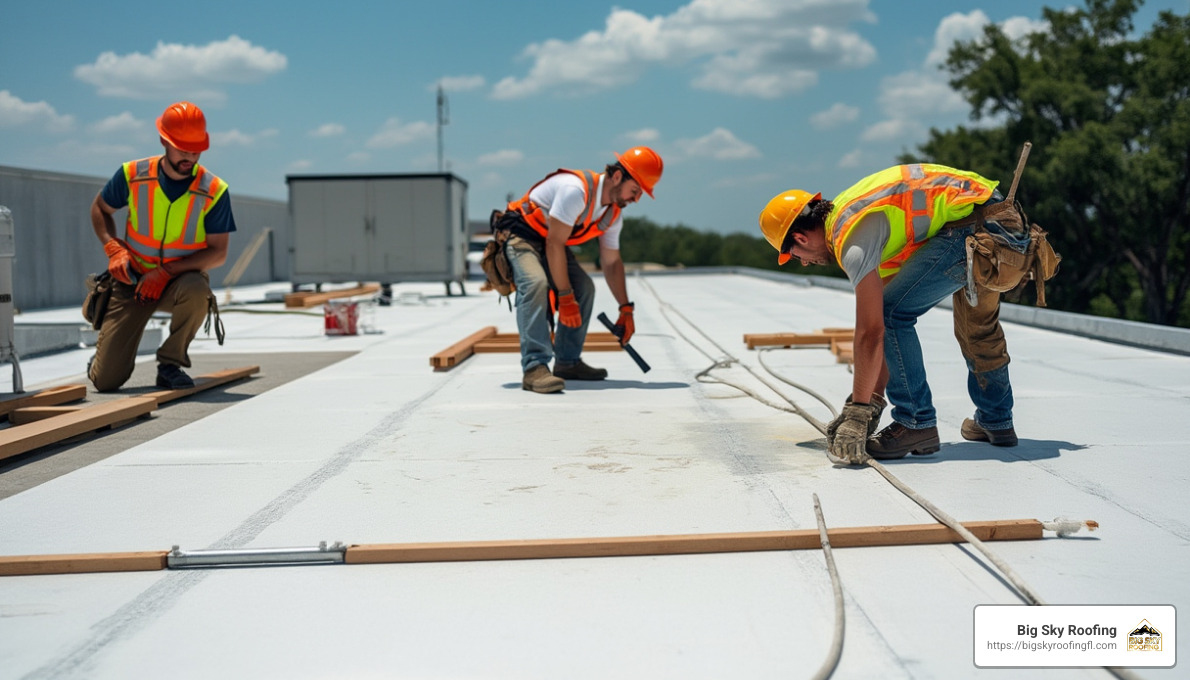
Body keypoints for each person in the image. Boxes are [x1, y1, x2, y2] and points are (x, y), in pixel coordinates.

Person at [759, 163, 1031, 465]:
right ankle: (996, 421)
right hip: (1002, 222)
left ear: (800, 239)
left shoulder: (851, 238)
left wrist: (858, 411)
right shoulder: (868, 224)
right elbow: (884, 337)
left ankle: (916, 422)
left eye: (796, 257)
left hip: (978, 229)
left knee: (892, 313)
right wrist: (870, 402)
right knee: (977, 327)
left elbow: (873, 330)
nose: (805, 264)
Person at [87, 101, 235, 391]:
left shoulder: (213, 190)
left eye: (196, 149)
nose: (189, 156)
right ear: (164, 141)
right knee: (105, 382)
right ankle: (102, 359)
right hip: (131, 280)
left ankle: (170, 364)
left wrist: (165, 272)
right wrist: (114, 248)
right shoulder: (133, 174)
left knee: (197, 290)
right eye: (182, 148)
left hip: (179, 282)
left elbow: (218, 252)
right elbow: (100, 208)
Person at [496, 146, 663, 393]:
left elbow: (611, 262)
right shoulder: (576, 191)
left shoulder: (612, 215)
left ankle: (567, 362)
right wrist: (564, 297)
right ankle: (534, 368)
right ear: (618, 177)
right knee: (535, 284)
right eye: (635, 190)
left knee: (584, 287)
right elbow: (554, 244)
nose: (635, 199)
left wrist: (626, 308)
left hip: (550, 241)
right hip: (522, 236)